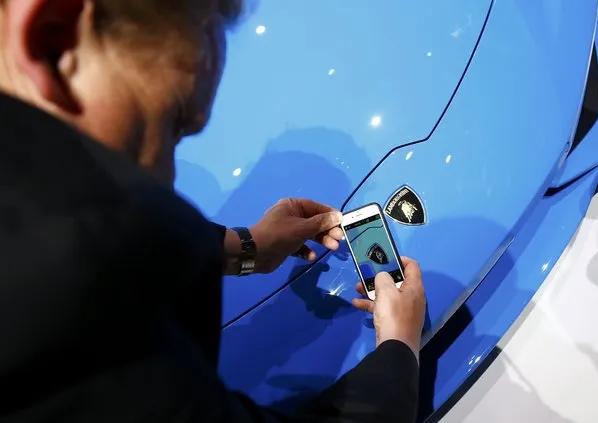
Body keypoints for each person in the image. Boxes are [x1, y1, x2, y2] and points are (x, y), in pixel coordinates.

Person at [0, 1, 427, 422]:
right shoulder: (73, 310)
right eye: (173, 121)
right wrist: (399, 348)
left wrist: (243, 247)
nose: (168, 179)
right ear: (52, 38)